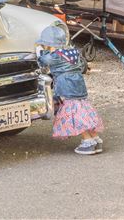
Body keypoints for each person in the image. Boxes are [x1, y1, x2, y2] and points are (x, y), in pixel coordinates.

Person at [36, 25, 104, 155]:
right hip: (79, 85)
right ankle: (95, 139)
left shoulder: (56, 55)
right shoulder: (73, 52)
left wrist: (40, 52)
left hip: (66, 86)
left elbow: (44, 60)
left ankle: (87, 141)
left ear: (49, 45)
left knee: (75, 114)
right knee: (83, 110)